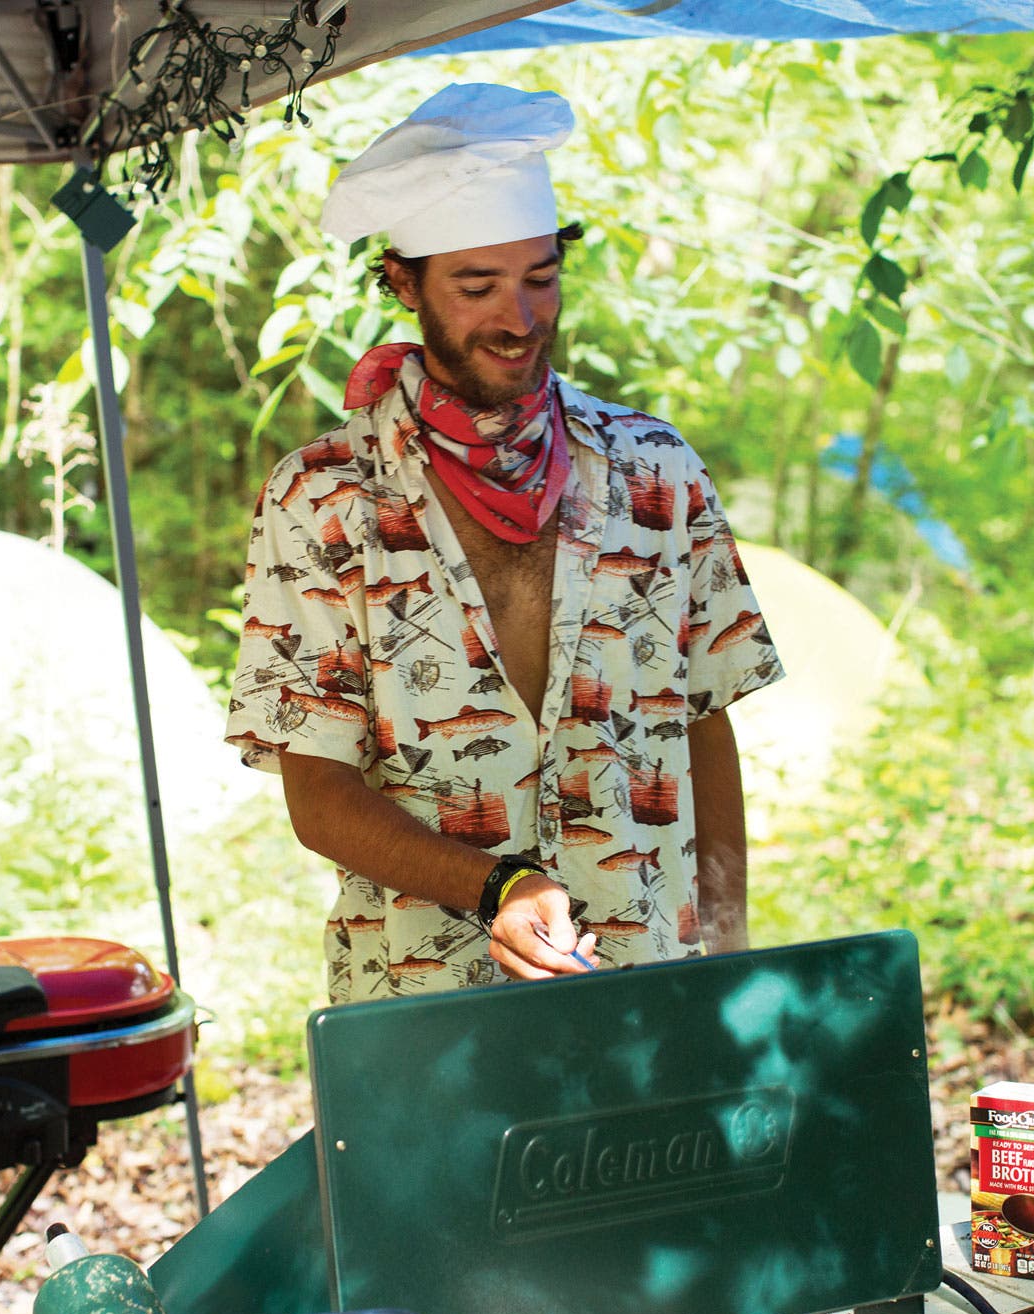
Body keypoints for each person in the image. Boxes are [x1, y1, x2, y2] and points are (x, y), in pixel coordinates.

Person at [223, 83, 783, 1004]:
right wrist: (499, 887)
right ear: (403, 282)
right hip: (424, 1001)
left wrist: (728, 949)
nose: (519, 318)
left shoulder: (656, 470)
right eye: (477, 286)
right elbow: (317, 792)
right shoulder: (324, 497)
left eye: (540, 279)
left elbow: (704, 719)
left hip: (644, 980)